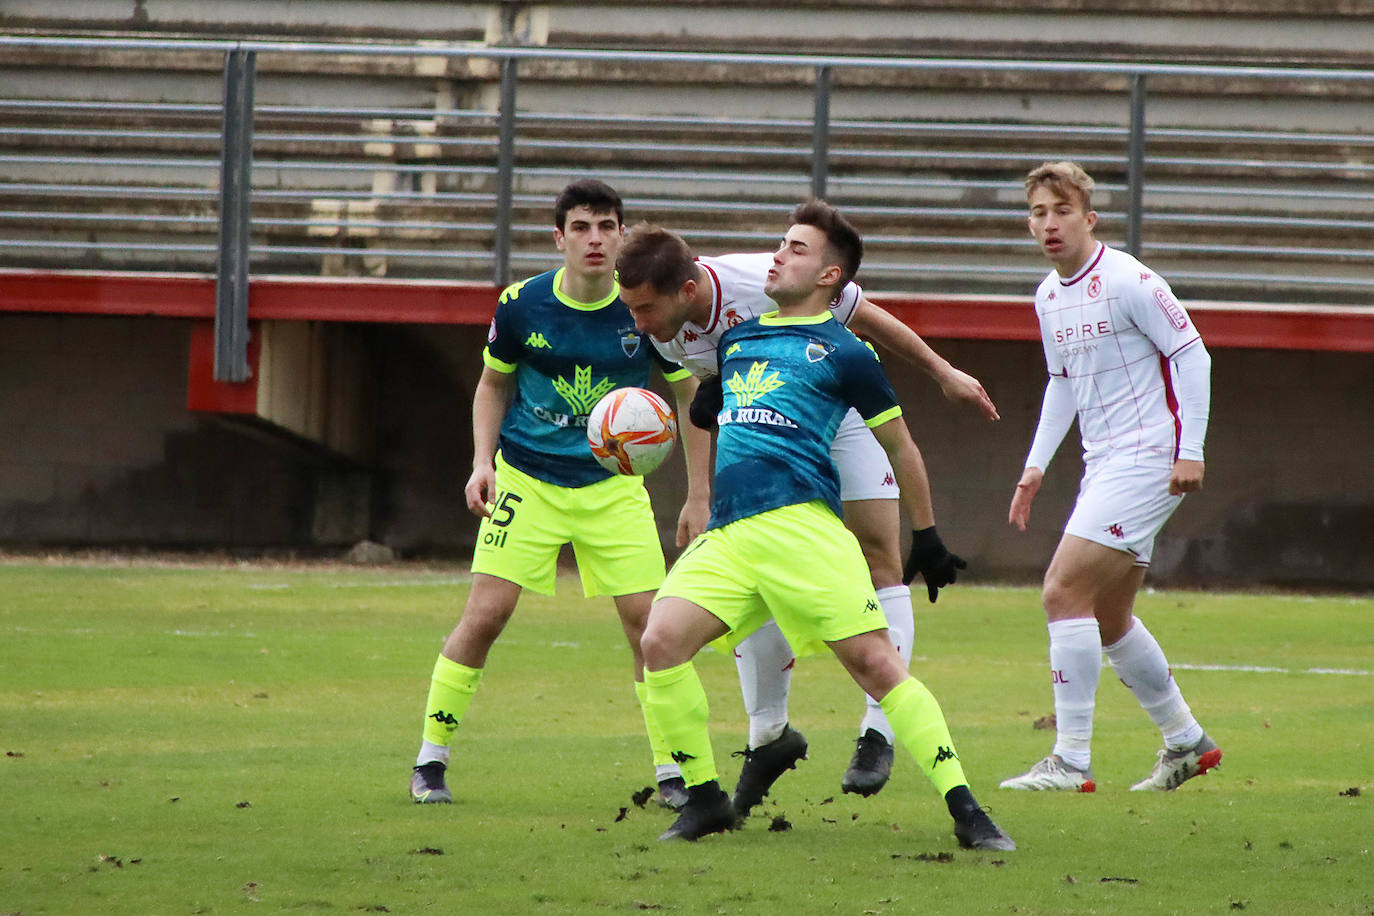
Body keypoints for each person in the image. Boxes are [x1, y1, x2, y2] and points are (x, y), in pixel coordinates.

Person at [637, 200, 1014, 850]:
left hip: (812, 486)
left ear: (828, 276)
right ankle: (715, 788)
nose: (778, 253)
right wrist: (709, 429)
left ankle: (940, 786)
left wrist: (928, 529)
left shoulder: (836, 344)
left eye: (797, 248)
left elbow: (899, 436)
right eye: (781, 243)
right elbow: (710, 396)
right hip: (737, 524)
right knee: (660, 643)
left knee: (878, 599)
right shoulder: (719, 336)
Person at [408, 179, 703, 808]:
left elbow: (689, 396)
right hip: (528, 479)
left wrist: (697, 493)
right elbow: (492, 386)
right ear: (559, 237)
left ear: (623, 235)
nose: (594, 240)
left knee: (648, 626)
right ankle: (430, 760)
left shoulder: (642, 307)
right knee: (486, 615)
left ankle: (673, 770)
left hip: (614, 486)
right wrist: (480, 462)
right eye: (581, 228)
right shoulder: (522, 305)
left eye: (605, 227)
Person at [1000, 161, 1221, 793]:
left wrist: (1192, 449)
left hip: (1149, 456)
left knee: (1061, 591)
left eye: (1061, 211)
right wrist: (1036, 466)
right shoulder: (1047, 295)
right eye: (1039, 213)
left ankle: (1070, 761)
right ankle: (1186, 742)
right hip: (1104, 462)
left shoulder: (1130, 280)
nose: (1049, 224)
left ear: (1089, 218)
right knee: (1109, 616)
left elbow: (1192, 353)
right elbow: (1061, 381)